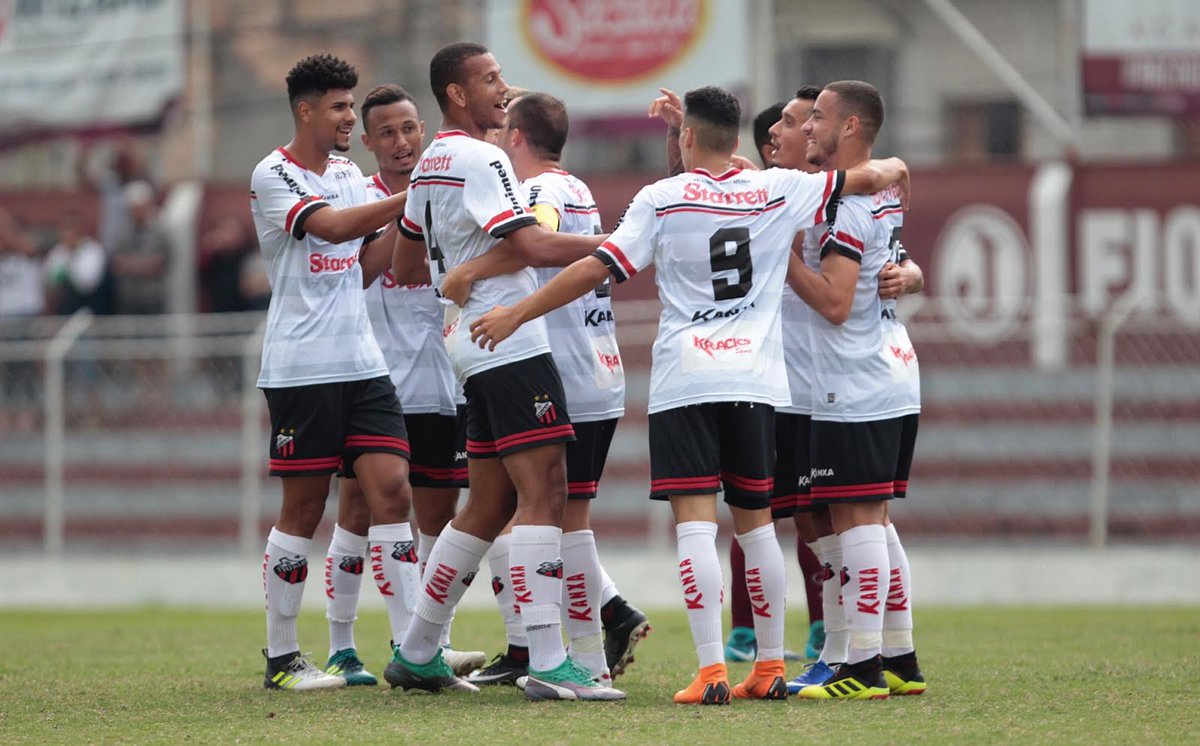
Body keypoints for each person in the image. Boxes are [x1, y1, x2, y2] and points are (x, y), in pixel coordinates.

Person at [470, 85, 908, 705]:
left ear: (685, 138)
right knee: (758, 530)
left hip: (687, 381)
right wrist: (899, 169)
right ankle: (772, 667)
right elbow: (870, 177)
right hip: (757, 383)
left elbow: (597, 267)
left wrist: (518, 311)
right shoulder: (779, 189)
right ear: (738, 141)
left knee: (696, 527)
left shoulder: (662, 198)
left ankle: (710, 672)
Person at [386, 42, 623, 702]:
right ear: (457, 94)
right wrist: (621, 245)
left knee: (488, 503)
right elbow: (533, 246)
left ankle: (418, 647)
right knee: (544, 488)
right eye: (489, 79)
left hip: (464, 345)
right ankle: (548, 659)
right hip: (508, 340)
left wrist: (457, 266)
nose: (503, 87)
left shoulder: (432, 164)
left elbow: (405, 268)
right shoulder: (482, 156)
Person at [440, 91, 649, 688]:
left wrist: (471, 270)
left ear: (515, 138)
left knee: (554, 519)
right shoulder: (578, 185)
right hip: (596, 368)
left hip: (564, 373)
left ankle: (581, 653)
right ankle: (561, 642)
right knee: (534, 516)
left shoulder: (540, 194)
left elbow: (533, 243)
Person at [249, 53, 414, 691]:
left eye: (351, 106)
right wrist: (415, 193)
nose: (350, 116)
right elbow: (334, 227)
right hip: (301, 368)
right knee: (305, 506)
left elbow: (362, 264)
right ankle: (283, 659)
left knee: (392, 489)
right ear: (307, 110)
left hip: (362, 363)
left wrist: (410, 218)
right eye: (341, 107)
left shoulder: (349, 172)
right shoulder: (273, 175)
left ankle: (412, 648)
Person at [320, 82, 484, 687]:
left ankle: (425, 643)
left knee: (439, 522)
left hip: (445, 381)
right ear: (368, 142)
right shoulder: (359, 197)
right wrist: (411, 209)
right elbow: (365, 270)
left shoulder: (455, 190)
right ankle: (342, 645)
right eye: (386, 132)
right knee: (359, 511)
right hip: (375, 382)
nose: (401, 141)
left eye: (410, 128)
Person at [766, 87, 926, 695]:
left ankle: (861, 665)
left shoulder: (845, 206)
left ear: (851, 126)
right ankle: (899, 656)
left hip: (850, 382)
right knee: (870, 523)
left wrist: (782, 257)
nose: (806, 126)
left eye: (816, 117)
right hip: (880, 371)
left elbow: (834, 302)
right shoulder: (876, 188)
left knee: (854, 521)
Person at [109, 181, 170, 315]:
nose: (136, 212)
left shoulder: (160, 232)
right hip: (127, 299)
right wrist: (143, 264)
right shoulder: (121, 233)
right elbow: (116, 263)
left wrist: (131, 264)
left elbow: (160, 264)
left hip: (152, 298)